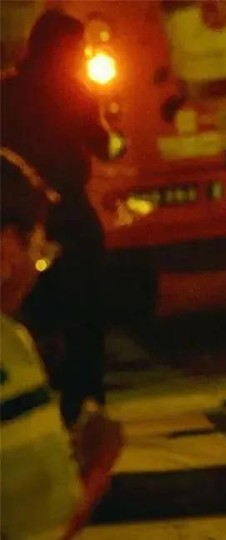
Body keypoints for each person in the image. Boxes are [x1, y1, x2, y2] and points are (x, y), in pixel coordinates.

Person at [1, 9, 125, 427]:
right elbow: (105, 145)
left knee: (23, 313)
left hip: (16, 219)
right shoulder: (72, 93)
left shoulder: (8, 90)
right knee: (85, 309)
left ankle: (28, 396)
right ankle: (84, 399)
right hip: (69, 215)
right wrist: (116, 135)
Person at [1, 148, 122, 540]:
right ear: (6, 247)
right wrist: (98, 465)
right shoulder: (7, 351)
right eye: (39, 254)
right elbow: (43, 526)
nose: (37, 275)